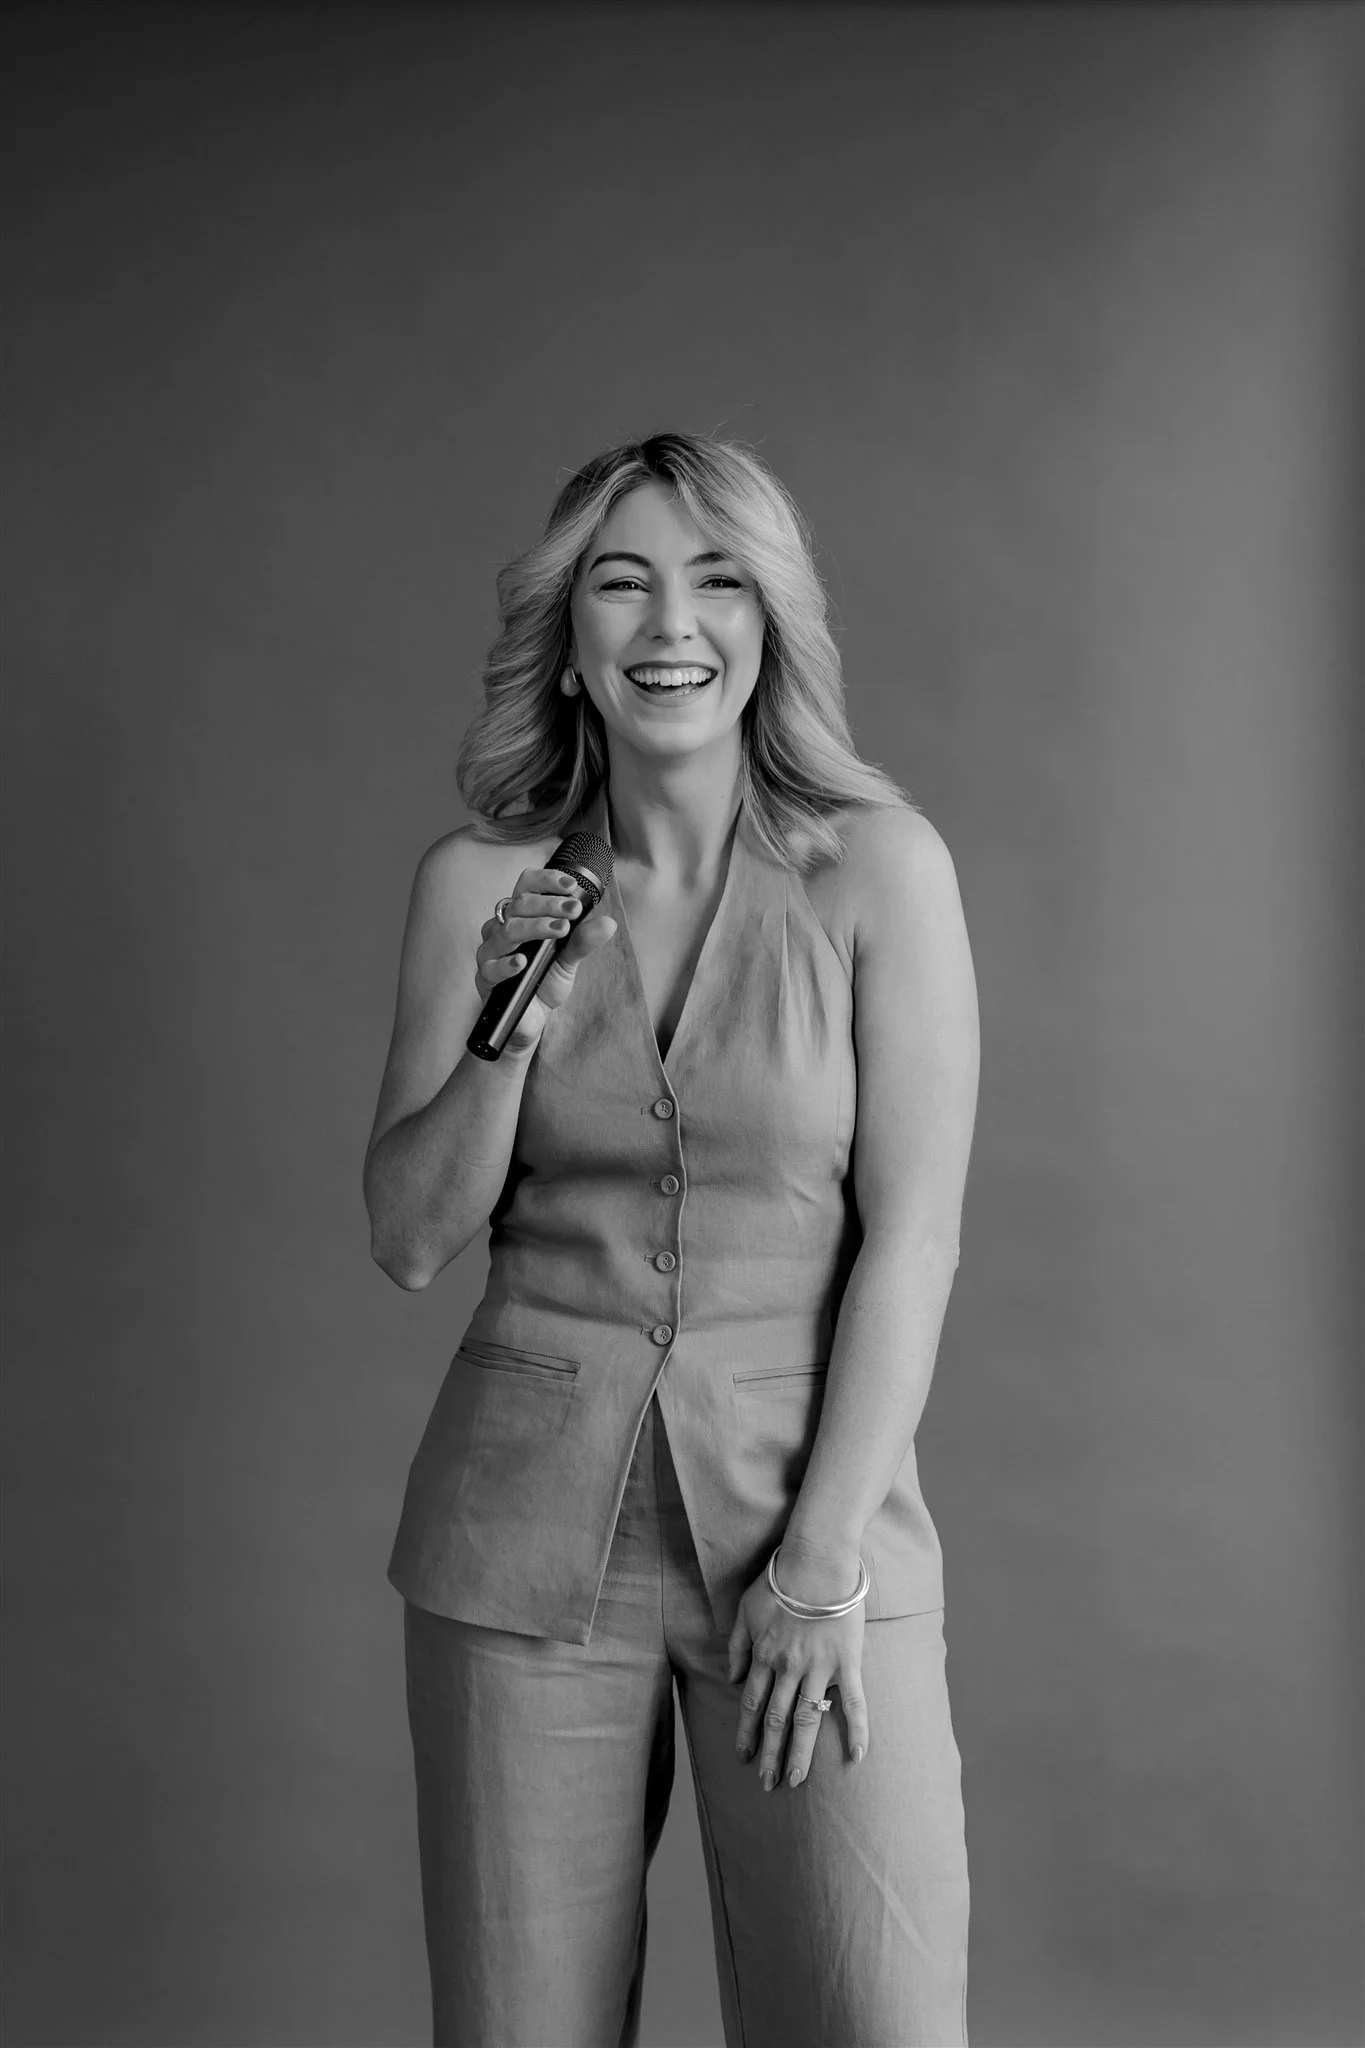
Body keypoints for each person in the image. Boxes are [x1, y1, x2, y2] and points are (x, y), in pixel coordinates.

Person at [363, 430, 980, 2048]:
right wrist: (510, 1024)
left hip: (809, 1524)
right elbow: (410, 1237)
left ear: (770, 625)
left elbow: (913, 1242)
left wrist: (827, 1564)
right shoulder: (478, 884)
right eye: (619, 585)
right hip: (517, 1543)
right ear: (567, 638)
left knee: (873, 2017)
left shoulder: (881, 873)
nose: (668, 626)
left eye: (716, 581)